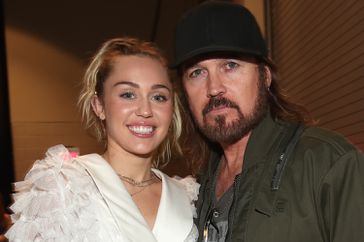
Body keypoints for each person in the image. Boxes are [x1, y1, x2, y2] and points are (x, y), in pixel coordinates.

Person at [172, 1, 364, 242]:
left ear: (265, 76)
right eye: (197, 73)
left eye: (230, 65)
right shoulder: (198, 188)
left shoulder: (328, 165)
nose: (214, 88)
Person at [6, 37, 199, 241]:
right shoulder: (63, 188)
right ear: (99, 106)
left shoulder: (186, 197)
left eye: (158, 97)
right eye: (128, 94)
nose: (145, 110)